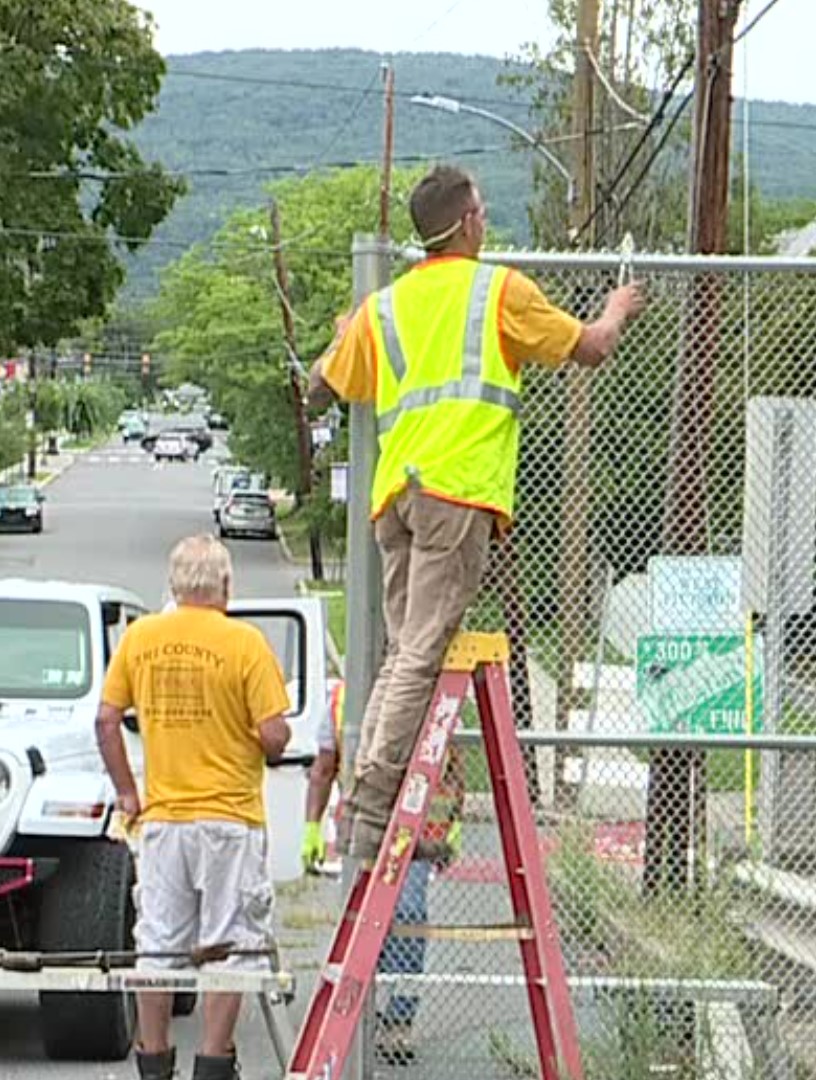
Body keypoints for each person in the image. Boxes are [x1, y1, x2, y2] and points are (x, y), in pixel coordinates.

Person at [308, 162, 645, 867]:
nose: (486, 219)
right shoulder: (499, 292)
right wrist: (618, 307)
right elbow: (590, 348)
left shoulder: (387, 307)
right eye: (482, 211)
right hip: (457, 497)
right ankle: (371, 808)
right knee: (421, 653)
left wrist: (343, 333)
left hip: (395, 498)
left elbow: (321, 384)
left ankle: (380, 800)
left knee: (407, 654)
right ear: (465, 224)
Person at [95, 535, 294, 1080]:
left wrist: (127, 791)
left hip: (163, 818)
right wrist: (266, 736)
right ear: (225, 585)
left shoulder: (141, 639)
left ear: (175, 585)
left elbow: (107, 719)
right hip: (230, 819)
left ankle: (154, 1059)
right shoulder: (245, 643)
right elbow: (274, 734)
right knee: (230, 946)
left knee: (157, 947)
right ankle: (213, 1059)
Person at [302, 678, 463, 1064]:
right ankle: (362, 1008)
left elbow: (453, 764)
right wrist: (312, 825)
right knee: (362, 924)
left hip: (414, 835)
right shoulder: (341, 699)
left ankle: (398, 1018)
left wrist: (453, 823)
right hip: (365, 831)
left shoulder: (430, 688)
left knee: (407, 918)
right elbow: (324, 768)